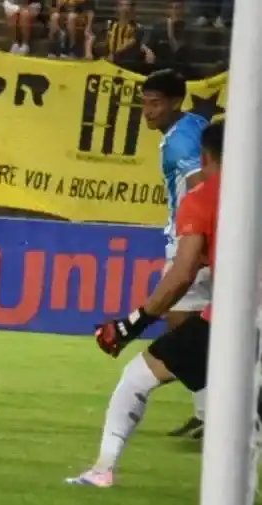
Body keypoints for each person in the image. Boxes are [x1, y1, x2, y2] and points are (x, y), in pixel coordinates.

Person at [64, 121, 224, 488]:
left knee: (137, 377)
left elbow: (182, 273)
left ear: (205, 156)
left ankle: (103, 469)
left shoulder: (202, 197)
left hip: (234, 322)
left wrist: (131, 324)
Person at [142, 69, 212, 440]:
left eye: (155, 104)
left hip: (192, 241)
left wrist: (195, 241)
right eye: (144, 103)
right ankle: (210, 411)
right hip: (206, 240)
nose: (147, 112)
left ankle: (211, 413)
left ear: (174, 102)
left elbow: (200, 187)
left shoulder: (180, 146)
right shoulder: (192, 125)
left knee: (181, 328)